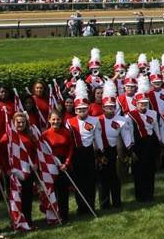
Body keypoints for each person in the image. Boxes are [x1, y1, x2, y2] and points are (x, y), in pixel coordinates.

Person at [66, 81, 102, 214]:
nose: (82, 111)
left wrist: (99, 152)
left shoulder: (94, 120)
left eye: (84, 109)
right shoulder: (69, 122)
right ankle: (81, 207)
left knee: (90, 181)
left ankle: (91, 205)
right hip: (76, 153)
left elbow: (97, 138)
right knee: (79, 182)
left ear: (88, 108)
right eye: (79, 109)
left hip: (89, 153)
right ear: (76, 110)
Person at [97, 81, 130, 209]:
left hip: (116, 151)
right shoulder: (97, 120)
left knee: (116, 178)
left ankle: (117, 202)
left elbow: (126, 136)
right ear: (103, 107)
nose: (110, 109)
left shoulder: (121, 120)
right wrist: (99, 155)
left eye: (112, 107)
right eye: (107, 107)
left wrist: (128, 151)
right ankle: (104, 204)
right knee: (102, 180)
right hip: (102, 152)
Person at [3, 111, 39, 228]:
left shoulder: (30, 135)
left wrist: (35, 163)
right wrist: (7, 169)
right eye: (18, 122)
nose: (20, 124)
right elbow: (2, 154)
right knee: (14, 198)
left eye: (23, 122)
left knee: (27, 197)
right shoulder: (7, 136)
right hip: (14, 172)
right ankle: (16, 221)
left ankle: (28, 220)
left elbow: (36, 151)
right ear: (13, 123)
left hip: (28, 171)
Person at [41, 110, 75, 222]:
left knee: (63, 191)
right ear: (49, 120)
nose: (56, 121)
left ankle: (64, 215)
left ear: (61, 120)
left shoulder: (66, 132)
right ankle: (54, 215)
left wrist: (67, 163)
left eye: (58, 119)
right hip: (50, 164)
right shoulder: (44, 135)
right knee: (52, 191)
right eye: (53, 119)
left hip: (63, 164)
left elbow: (71, 148)